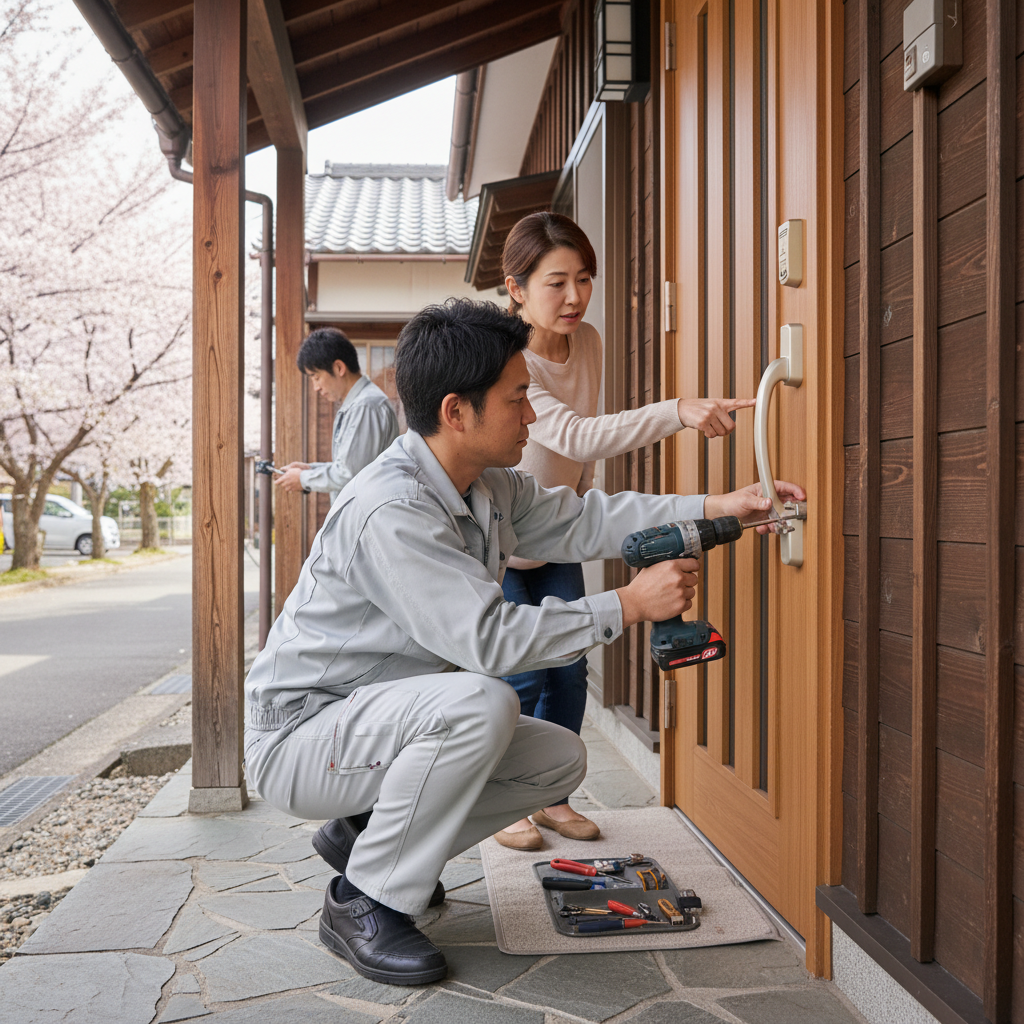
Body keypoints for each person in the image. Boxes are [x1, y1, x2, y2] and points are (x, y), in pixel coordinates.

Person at [243, 297, 804, 987]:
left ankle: (361, 835)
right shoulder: (392, 508)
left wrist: (718, 507)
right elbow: (489, 639)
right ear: (457, 411)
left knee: (556, 759)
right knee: (480, 704)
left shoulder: (482, 485)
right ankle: (365, 901)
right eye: (517, 400)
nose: (532, 416)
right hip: (301, 738)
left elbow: (582, 518)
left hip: (367, 723)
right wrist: (628, 603)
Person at [494, 211, 757, 850]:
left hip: (558, 529)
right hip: (500, 537)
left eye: (584, 279)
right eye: (556, 282)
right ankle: (503, 806)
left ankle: (550, 796)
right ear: (516, 289)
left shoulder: (588, 341)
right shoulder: (509, 355)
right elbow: (575, 431)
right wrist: (679, 411)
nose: (575, 296)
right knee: (518, 677)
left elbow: (580, 450)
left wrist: (582, 500)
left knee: (569, 672)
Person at [275, 326, 399, 503]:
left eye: (316, 377)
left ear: (339, 368)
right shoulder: (358, 404)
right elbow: (350, 466)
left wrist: (303, 479)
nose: (316, 387)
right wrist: (310, 469)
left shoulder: (365, 406)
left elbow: (349, 475)